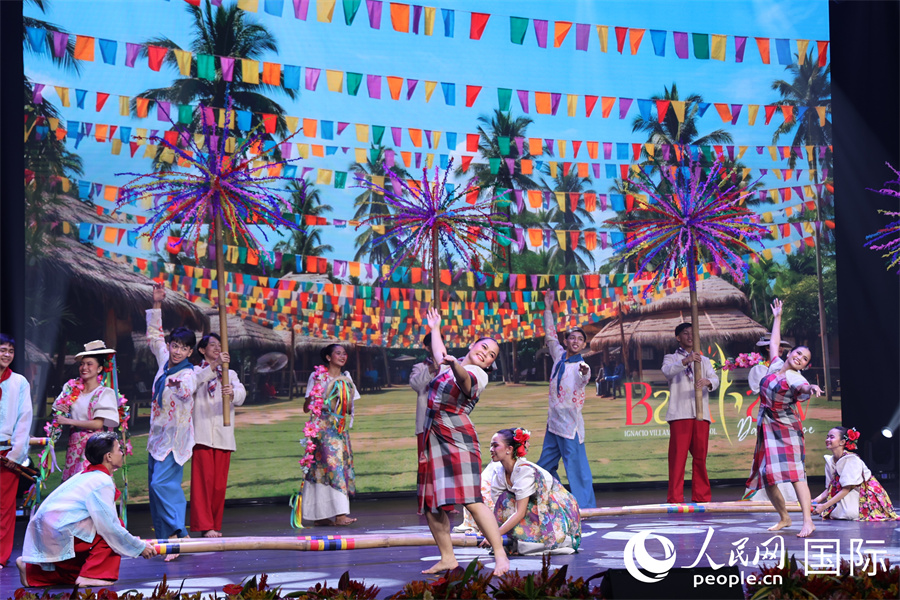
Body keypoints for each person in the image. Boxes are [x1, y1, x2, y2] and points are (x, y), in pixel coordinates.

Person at [417, 307, 509, 576]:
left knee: (471, 499)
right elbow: (439, 355)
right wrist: (435, 328)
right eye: (484, 347)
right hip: (433, 436)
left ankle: (500, 554)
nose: (486, 354)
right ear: (472, 345)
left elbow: (465, 382)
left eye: (491, 355)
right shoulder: (451, 362)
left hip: (458, 437)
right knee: (431, 502)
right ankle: (448, 558)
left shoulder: (479, 375)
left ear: (490, 364)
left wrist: (456, 364)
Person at [16, 432, 157, 587]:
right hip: (58, 530)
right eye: (119, 449)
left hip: (50, 529)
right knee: (113, 531)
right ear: (108, 456)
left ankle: (32, 573)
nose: (122, 453)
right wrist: (138, 547)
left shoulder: (88, 475)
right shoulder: (101, 481)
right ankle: (92, 575)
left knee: (90, 550)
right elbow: (110, 527)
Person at [745, 299, 822, 538]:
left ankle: (807, 521)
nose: (800, 358)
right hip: (768, 427)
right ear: (790, 353)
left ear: (805, 366)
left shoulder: (795, 377)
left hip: (787, 429)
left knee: (796, 475)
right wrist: (777, 317)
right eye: (798, 353)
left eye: (805, 359)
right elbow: (775, 343)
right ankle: (784, 517)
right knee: (768, 476)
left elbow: (804, 386)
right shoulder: (776, 363)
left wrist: (812, 389)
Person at [146, 283, 197, 560]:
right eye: (175, 345)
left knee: (161, 485)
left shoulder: (190, 373)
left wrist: (177, 383)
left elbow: (187, 390)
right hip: (156, 438)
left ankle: (179, 533)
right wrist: (156, 304)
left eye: (184, 348)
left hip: (174, 442)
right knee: (155, 492)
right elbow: (154, 335)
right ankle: (167, 543)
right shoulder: (164, 360)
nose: (177, 351)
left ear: (191, 352)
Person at [535, 290, 596, 509]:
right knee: (543, 468)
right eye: (573, 338)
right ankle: (559, 500)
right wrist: (548, 308)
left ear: (584, 344)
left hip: (570, 427)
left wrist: (583, 372)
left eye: (581, 339)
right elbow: (550, 335)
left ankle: (587, 510)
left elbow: (584, 377)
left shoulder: (582, 366)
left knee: (578, 472)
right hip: (553, 424)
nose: (576, 341)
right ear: (566, 340)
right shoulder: (559, 357)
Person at [484, 428, 581, 555]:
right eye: (491, 446)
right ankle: (514, 541)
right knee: (504, 499)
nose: (491, 449)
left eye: (495, 445)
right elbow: (497, 509)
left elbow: (520, 513)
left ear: (509, 449)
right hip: (535, 503)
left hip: (553, 505)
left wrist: (494, 536)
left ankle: (528, 542)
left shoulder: (525, 472)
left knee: (520, 507)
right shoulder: (499, 473)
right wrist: (490, 532)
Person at [190, 333, 246, 538]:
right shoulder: (196, 371)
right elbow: (193, 384)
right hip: (202, 435)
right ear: (202, 350)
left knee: (218, 485)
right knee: (203, 483)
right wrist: (213, 366)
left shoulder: (229, 374)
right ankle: (205, 526)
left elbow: (241, 396)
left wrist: (232, 392)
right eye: (212, 345)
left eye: (219, 345)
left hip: (224, 436)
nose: (216, 348)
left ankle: (214, 523)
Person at [301, 344, 359, 526]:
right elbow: (306, 408)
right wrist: (315, 390)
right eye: (338, 353)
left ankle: (335, 514)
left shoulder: (346, 378)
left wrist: (345, 395)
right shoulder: (317, 375)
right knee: (322, 469)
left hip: (339, 427)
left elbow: (349, 409)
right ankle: (327, 515)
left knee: (338, 466)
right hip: (321, 426)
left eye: (344, 353)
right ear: (328, 357)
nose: (342, 356)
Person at [662, 322, 719, 504]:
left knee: (700, 458)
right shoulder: (670, 358)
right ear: (678, 337)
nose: (689, 337)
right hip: (680, 414)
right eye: (685, 334)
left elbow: (715, 378)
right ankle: (675, 498)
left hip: (701, 415)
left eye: (692, 333)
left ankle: (701, 497)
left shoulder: (705, 360)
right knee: (678, 458)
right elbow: (667, 372)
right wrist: (686, 361)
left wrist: (707, 382)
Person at [52, 341, 120, 481]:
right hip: (74, 443)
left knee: (88, 482)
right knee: (72, 482)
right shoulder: (71, 388)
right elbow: (58, 410)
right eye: (82, 364)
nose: (84, 367)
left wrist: (68, 421)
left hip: (94, 446)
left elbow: (97, 424)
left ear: (99, 368)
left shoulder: (104, 393)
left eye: (89, 364)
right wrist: (61, 410)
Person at [812, 427, 897, 521]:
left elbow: (846, 489)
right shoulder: (830, 461)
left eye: (831, 437)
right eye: (827, 437)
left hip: (865, 495)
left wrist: (824, 506)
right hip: (848, 491)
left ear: (842, 442)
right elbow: (830, 488)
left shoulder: (851, 460)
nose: (827, 440)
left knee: (848, 513)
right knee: (837, 511)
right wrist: (815, 501)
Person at [0, 334, 33, 569]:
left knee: (5, 506)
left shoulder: (19, 382)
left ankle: (0, 556)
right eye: (2, 350)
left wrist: (15, 456)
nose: (7, 354)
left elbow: (24, 419)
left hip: (7, 452)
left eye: (10, 351)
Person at [409, 333, 438, 453]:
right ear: (427, 347)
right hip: (426, 423)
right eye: (435, 342)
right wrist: (431, 369)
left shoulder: (451, 365)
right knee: (426, 463)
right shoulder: (419, 367)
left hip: (448, 423)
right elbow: (415, 384)